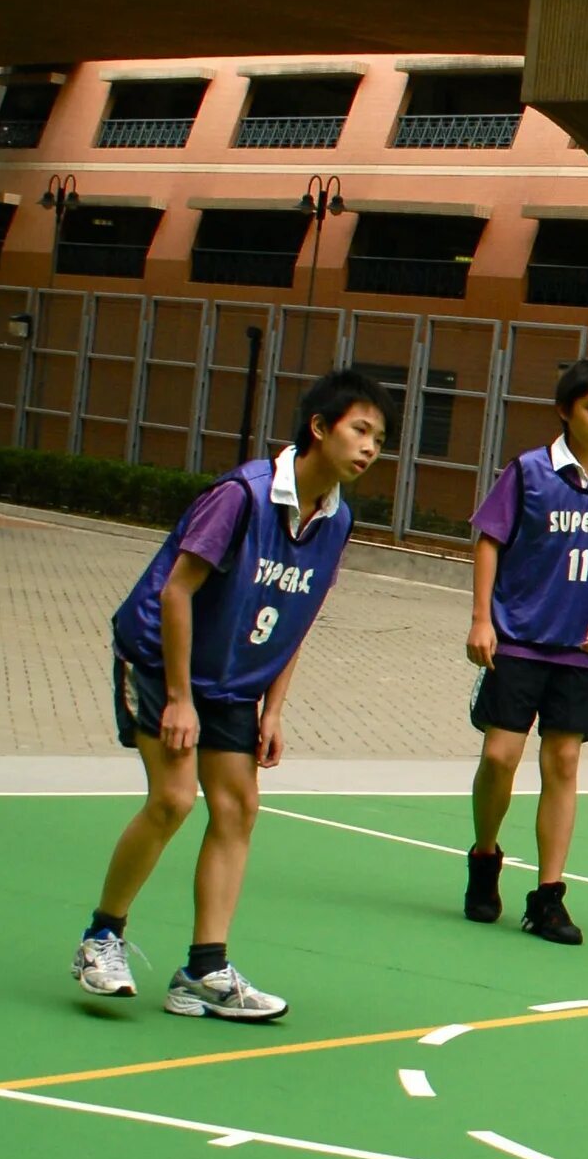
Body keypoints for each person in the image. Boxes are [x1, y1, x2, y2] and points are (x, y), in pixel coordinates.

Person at [70, 369, 394, 1022]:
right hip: (161, 656)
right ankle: (101, 938)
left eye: (379, 439)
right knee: (172, 798)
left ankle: (204, 971)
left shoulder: (337, 520)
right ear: (319, 428)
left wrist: (273, 709)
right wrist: (181, 698)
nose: (369, 447)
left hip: (231, 673)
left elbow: (297, 612)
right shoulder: (241, 496)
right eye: (360, 429)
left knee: (239, 805)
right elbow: (176, 592)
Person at [457, 360, 588, 942]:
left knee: (563, 763)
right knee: (500, 756)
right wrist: (481, 619)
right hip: (519, 635)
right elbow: (489, 541)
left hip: (581, 646)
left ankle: (548, 896)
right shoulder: (528, 473)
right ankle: (484, 856)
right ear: (566, 411)